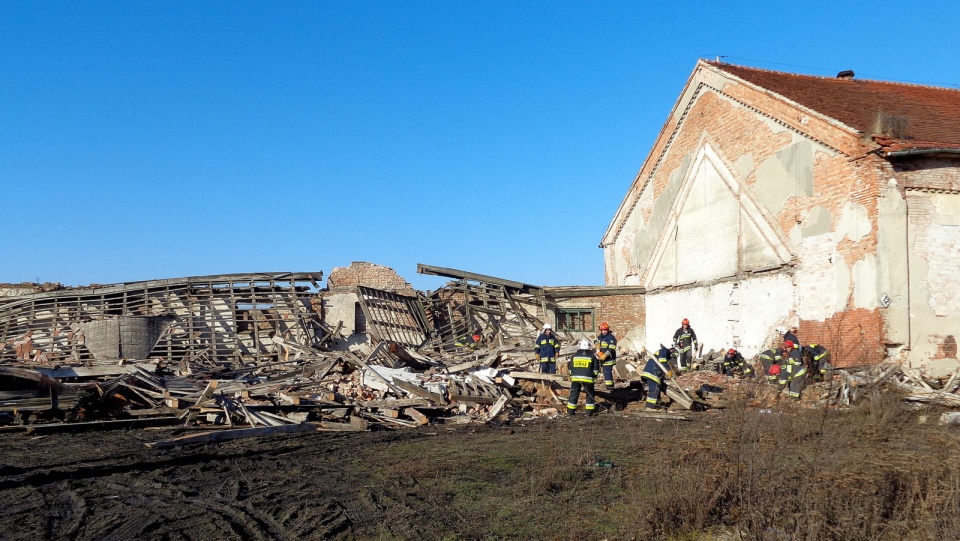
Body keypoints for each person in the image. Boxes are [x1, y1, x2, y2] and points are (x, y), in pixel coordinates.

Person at [567, 339, 600, 415]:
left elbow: (570, 369)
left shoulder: (574, 356)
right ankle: (589, 412)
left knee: (574, 393)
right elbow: (595, 370)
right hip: (588, 379)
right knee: (590, 394)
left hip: (575, 378)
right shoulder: (592, 356)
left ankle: (570, 412)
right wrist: (593, 376)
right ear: (589, 347)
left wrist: (573, 375)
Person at [594, 322, 618, 390]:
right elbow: (595, 340)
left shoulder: (611, 338)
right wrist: (596, 344)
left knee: (607, 371)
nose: (604, 332)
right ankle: (610, 384)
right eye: (602, 330)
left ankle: (609, 386)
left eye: (605, 330)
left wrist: (605, 355)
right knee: (603, 371)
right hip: (601, 357)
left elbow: (611, 348)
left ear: (608, 330)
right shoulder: (600, 336)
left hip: (609, 358)